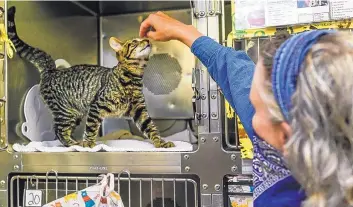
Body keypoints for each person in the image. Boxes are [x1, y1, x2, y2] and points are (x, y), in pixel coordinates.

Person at [140, 12, 353, 207]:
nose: (252, 113)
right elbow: (236, 71)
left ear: (286, 138)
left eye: (258, 109)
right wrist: (185, 32)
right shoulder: (300, 123)